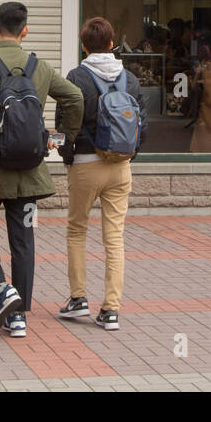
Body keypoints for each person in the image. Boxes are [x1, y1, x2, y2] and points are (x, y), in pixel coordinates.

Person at [0, 1, 83, 338]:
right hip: (27, 171)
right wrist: (62, 137)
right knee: (23, 238)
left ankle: (0, 288)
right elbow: (75, 97)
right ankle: (19, 315)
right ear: (25, 30)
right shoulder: (39, 67)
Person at [57, 17, 145, 332]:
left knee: (77, 230)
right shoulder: (131, 79)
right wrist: (128, 155)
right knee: (115, 237)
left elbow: (64, 123)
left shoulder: (77, 77)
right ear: (112, 44)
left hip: (85, 163)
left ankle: (78, 298)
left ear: (84, 46)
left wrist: (68, 157)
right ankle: (110, 310)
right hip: (121, 167)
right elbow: (141, 125)